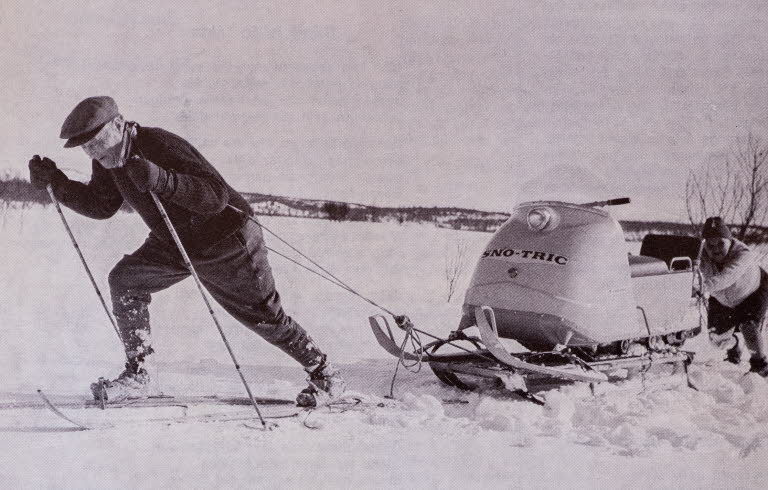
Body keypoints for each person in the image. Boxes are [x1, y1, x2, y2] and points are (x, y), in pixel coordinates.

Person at [28, 96, 346, 406]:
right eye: (87, 149)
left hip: (226, 239)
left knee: (263, 316)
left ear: (119, 124)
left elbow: (216, 196)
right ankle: (138, 375)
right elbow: (101, 204)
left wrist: (160, 178)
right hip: (174, 241)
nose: (95, 154)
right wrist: (57, 183)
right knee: (126, 280)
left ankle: (325, 375)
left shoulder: (161, 145)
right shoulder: (110, 160)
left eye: (97, 142)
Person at [700, 216, 768, 377]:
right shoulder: (701, 255)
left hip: (753, 291)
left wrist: (702, 287)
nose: (715, 249)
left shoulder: (742, 253)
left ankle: (760, 365)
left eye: (720, 243)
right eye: (710, 245)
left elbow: (728, 276)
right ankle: (734, 345)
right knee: (716, 338)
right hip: (721, 298)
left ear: (729, 241)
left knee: (748, 326)